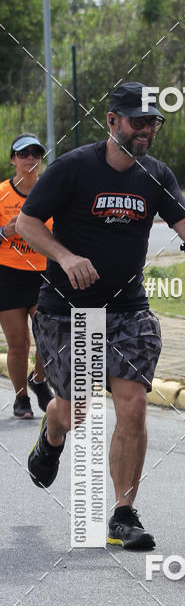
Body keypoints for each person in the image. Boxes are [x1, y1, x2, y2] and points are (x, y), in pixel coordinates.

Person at [16, 81, 185, 550]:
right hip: (67, 309)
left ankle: (122, 514)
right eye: (137, 121)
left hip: (127, 308)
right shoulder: (73, 168)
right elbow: (27, 223)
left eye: (152, 122)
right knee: (74, 409)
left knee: (133, 404)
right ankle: (51, 435)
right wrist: (64, 256)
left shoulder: (155, 174)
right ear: (112, 120)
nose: (146, 130)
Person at [0, 134, 54, 418]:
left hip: (41, 276)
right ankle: (21, 397)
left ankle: (39, 379)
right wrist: (5, 232)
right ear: (13, 160)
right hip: (7, 275)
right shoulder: (2, 194)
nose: (30, 159)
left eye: (36, 153)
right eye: (24, 154)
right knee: (19, 343)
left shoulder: (50, 192)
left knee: (48, 336)